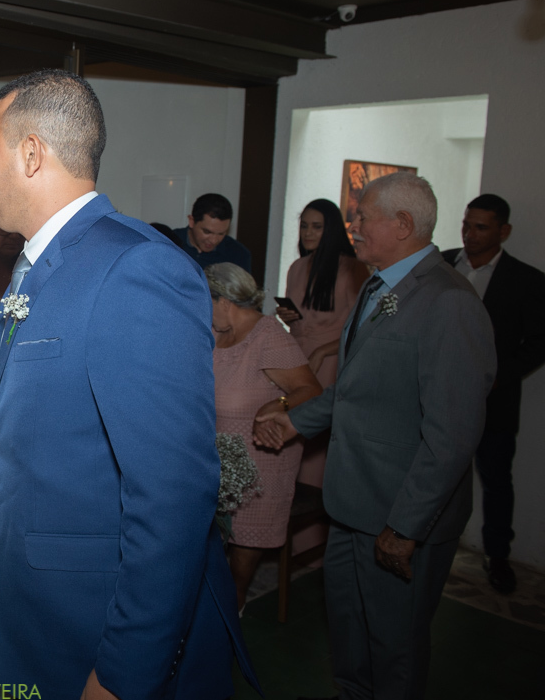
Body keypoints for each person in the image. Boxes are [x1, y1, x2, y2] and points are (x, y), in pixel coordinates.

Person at [0, 69, 257, 700]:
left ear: (30, 153)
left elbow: (173, 494)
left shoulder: (135, 267)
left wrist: (125, 676)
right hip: (32, 609)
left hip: (93, 626)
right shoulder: (35, 263)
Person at [256, 172, 496, 700]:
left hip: (399, 514)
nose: (353, 225)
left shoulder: (448, 302)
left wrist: (405, 527)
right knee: (349, 637)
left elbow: (452, 435)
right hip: (352, 503)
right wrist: (296, 422)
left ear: (404, 224)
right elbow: (357, 391)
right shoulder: (377, 284)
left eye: (363, 215)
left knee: (394, 650)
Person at [443, 194, 545, 594]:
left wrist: (499, 376)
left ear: (503, 231)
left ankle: (498, 555)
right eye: (466, 224)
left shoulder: (527, 280)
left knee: (496, 478)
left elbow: (538, 341)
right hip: (437, 396)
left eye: (481, 227)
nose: (469, 234)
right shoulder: (442, 263)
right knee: (435, 472)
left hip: (493, 402)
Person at [206, 262, 322, 611]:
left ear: (223, 301)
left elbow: (312, 390)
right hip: (215, 459)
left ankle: (234, 609)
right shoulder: (213, 332)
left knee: (238, 561)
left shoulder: (267, 335)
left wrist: (279, 403)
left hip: (260, 464)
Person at [277, 200, 371, 494]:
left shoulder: (352, 268)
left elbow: (361, 328)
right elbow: (299, 322)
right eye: (304, 226)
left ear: (330, 230)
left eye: (316, 227)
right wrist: (288, 317)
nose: (307, 233)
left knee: (317, 439)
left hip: (330, 359)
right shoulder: (297, 267)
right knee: (292, 433)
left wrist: (321, 351)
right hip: (298, 356)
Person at [175, 193, 252, 271]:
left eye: (221, 233)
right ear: (192, 221)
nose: (213, 240)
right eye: (207, 232)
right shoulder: (169, 243)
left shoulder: (238, 255)